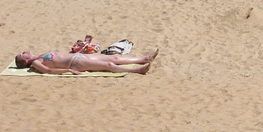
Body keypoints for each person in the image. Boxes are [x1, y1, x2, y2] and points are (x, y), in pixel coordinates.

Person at [15, 47, 158, 75]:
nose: (25, 52)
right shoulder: (35, 63)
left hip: (79, 56)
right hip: (75, 63)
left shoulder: (40, 55)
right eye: (23, 54)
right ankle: (137, 70)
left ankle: (144, 59)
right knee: (109, 65)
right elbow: (48, 70)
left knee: (114, 57)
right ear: (25, 61)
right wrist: (68, 70)